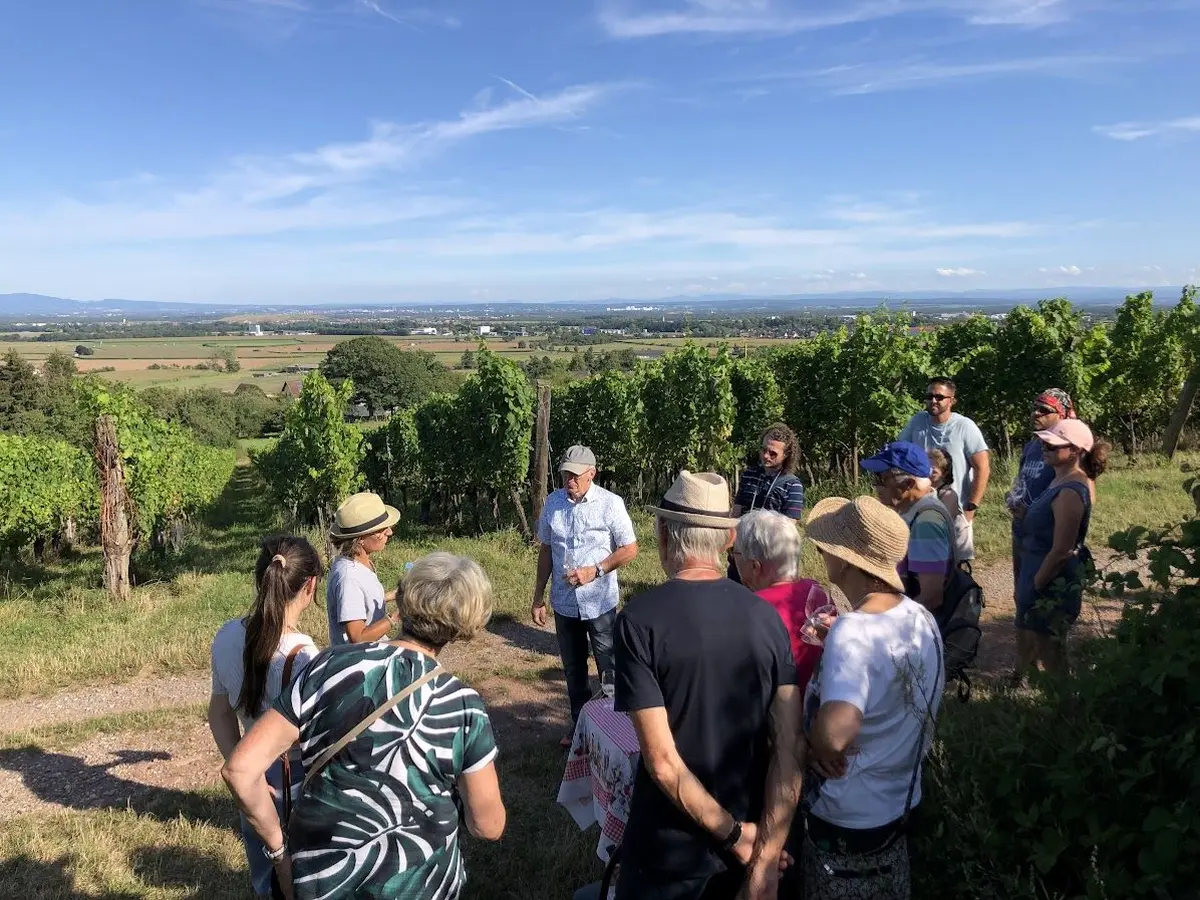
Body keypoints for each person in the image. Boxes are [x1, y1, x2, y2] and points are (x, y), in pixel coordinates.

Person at [222, 552, 506, 900]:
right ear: (466, 623)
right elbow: (488, 826)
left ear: (403, 599)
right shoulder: (461, 705)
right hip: (418, 886)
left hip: (323, 883)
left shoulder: (327, 667)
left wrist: (279, 854)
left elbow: (239, 769)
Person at [614, 471, 802, 900]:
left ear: (663, 534)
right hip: (751, 840)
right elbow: (791, 746)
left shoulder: (639, 622)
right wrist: (766, 856)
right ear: (728, 539)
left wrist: (737, 837)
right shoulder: (767, 619)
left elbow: (662, 762)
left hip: (671, 854)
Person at [801, 495, 944, 900]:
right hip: (900, 802)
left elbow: (834, 735)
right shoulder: (921, 620)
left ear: (846, 560)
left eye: (828, 545)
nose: (821, 551)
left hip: (847, 811)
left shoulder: (854, 630)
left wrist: (811, 745)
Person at [208, 535, 325, 899]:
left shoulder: (227, 636)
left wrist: (243, 766)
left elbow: (220, 712)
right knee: (305, 876)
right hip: (297, 777)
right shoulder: (304, 654)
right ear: (311, 585)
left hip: (252, 772)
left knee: (266, 870)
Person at [531, 445, 639, 746]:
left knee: (608, 665)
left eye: (576, 474)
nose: (570, 479)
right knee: (573, 667)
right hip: (564, 602)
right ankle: (579, 725)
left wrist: (597, 570)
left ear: (592, 473)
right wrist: (538, 595)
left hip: (600, 601)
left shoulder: (610, 504)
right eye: (566, 473)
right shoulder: (553, 503)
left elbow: (630, 548)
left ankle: (615, 726)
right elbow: (547, 550)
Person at [1015, 419, 1108, 676]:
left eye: (1053, 445)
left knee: (1051, 651)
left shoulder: (1071, 489)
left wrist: (1036, 584)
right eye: (1044, 442)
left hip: (1050, 581)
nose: (1045, 448)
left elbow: (1062, 550)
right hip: (1037, 573)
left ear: (1076, 450)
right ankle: (1056, 702)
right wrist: (1026, 512)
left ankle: (1065, 706)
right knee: (1042, 644)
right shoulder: (1058, 481)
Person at [733, 509, 831, 689]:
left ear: (755, 566)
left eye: (735, 552)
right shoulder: (818, 592)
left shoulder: (749, 609)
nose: (732, 558)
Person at [862, 442, 954, 613]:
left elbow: (930, 597)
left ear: (909, 484)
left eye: (881, 478)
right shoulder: (913, 511)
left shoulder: (926, 522)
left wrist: (885, 621)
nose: (875, 486)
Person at [898, 377, 990, 547]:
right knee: (925, 566)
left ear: (952, 401)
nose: (933, 400)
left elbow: (982, 467)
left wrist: (970, 509)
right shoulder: (918, 422)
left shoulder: (964, 426)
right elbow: (901, 454)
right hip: (921, 511)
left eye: (939, 397)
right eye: (929, 396)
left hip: (955, 511)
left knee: (957, 566)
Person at [1006, 389, 1078, 590]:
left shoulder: (1067, 450)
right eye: (1035, 408)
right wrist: (1014, 498)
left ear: (1061, 415)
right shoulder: (1032, 446)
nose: (1036, 413)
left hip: (1047, 532)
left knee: (1041, 589)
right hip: (1022, 527)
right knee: (1021, 586)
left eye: (1044, 410)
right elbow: (1023, 481)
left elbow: (1073, 490)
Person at [728, 423, 807, 583]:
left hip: (769, 561)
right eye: (764, 450)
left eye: (773, 453)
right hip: (741, 554)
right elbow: (736, 512)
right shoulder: (749, 474)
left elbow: (788, 529)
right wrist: (732, 543)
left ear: (786, 455)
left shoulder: (792, 485)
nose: (766, 456)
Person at [326, 491, 401, 646]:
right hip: (359, 661)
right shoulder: (349, 578)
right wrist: (398, 616)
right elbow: (358, 637)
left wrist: (393, 595)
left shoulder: (358, 564)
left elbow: (359, 600)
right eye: (381, 529)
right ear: (360, 539)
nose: (390, 532)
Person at [926, 448, 973, 562]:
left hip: (956, 550)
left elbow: (940, 523)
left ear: (945, 472)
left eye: (934, 471)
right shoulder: (929, 491)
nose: (928, 473)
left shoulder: (949, 495)